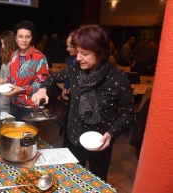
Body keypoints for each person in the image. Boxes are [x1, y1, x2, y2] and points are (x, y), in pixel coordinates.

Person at [32, 24, 136, 181]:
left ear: (100, 53)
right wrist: (42, 89)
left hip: (99, 142)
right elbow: (52, 77)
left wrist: (112, 133)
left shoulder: (117, 79)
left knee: (97, 181)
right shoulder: (75, 70)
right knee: (68, 178)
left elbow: (129, 112)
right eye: (77, 52)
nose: (78, 57)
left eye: (84, 53)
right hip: (73, 137)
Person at [2, 20, 49, 127]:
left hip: (31, 106)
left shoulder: (39, 57)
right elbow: (11, 76)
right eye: (20, 36)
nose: (23, 40)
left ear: (31, 38)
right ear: (16, 38)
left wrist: (22, 89)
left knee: (28, 138)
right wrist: (7, 86)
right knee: (15, 134)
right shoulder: (13, 55)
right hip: (14, 103)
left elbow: (42, 82)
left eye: (27, 37)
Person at [0, 30, 17, 113]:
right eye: (1, 43)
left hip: (10, 97)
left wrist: (3, 80)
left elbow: (16, 81)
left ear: (10, 44)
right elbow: (2, 76)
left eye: (4, 44)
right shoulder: (5, 57)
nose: (2, 47)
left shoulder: (16, 59)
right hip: (3, 95)